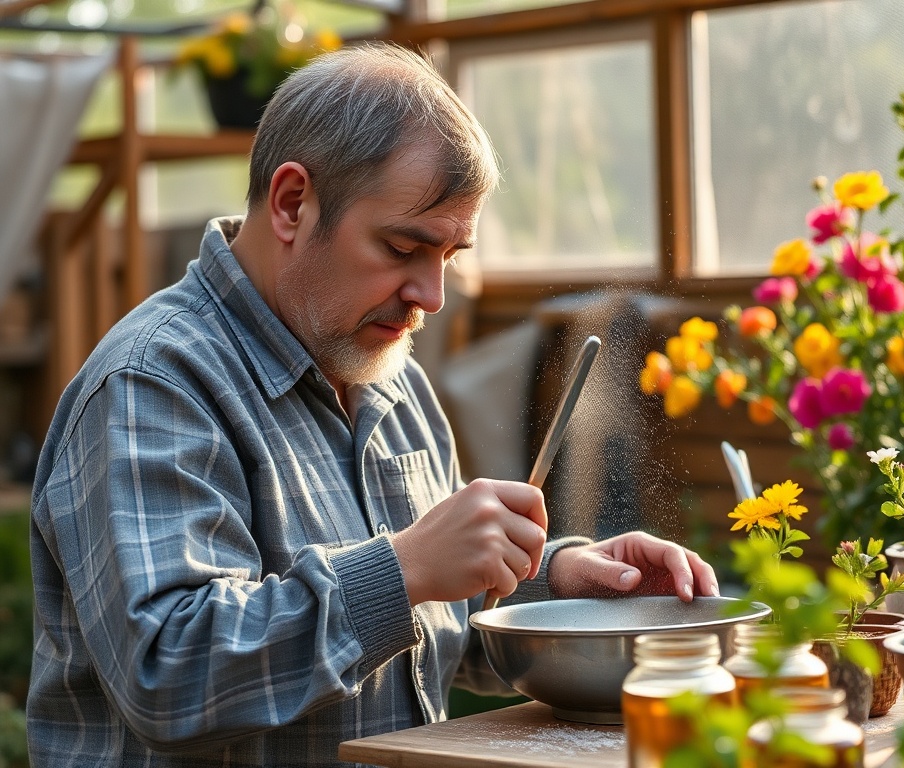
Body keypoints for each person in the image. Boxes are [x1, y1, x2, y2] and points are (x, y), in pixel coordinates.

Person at [27, 41, 718, 767]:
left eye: (450, 256)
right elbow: (167, 676)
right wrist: (405, 568)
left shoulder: (390, 375)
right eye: (401, 247)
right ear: (293, 203)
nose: (433, 296)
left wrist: (559, 581)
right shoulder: (153, 385)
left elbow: (433, 630)